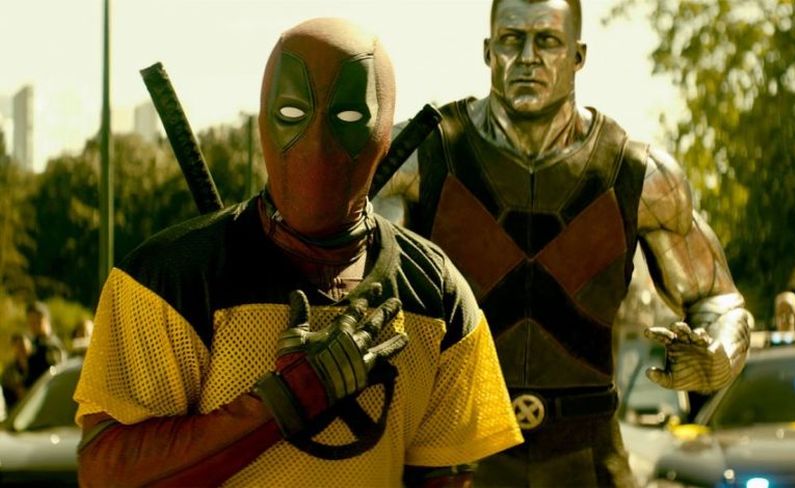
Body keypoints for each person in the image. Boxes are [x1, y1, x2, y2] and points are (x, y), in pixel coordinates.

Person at [74, 17, 522, 487]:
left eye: (348, 118)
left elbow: (445, 475)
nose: (317, 142)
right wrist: (283, 403)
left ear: (386, 131)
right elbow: (107, 474)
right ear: (264, 119)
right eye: (292, 113)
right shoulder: (170, 279)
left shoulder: (436, 292)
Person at [381, 0, 753, 485]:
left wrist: (718, 354)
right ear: (488, 51)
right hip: (456, 454)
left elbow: (717, 299)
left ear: (578, 56)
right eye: (512, 40)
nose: (528, 57)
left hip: (589, 456)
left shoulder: (640, 175)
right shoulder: (416, 157)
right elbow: (343, 266)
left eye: (547, 41)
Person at [25, 301, 67, 386]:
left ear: (44, 320)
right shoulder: (34, 343)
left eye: (35, 322)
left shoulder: (53, 346)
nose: (32, 326)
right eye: (30, 322)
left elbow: (57, 375)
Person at [1, 333, 33, 411]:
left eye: (23, 345)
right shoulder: (9, 371)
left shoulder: (40, 363)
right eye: (18, 346)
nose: (22, 349)